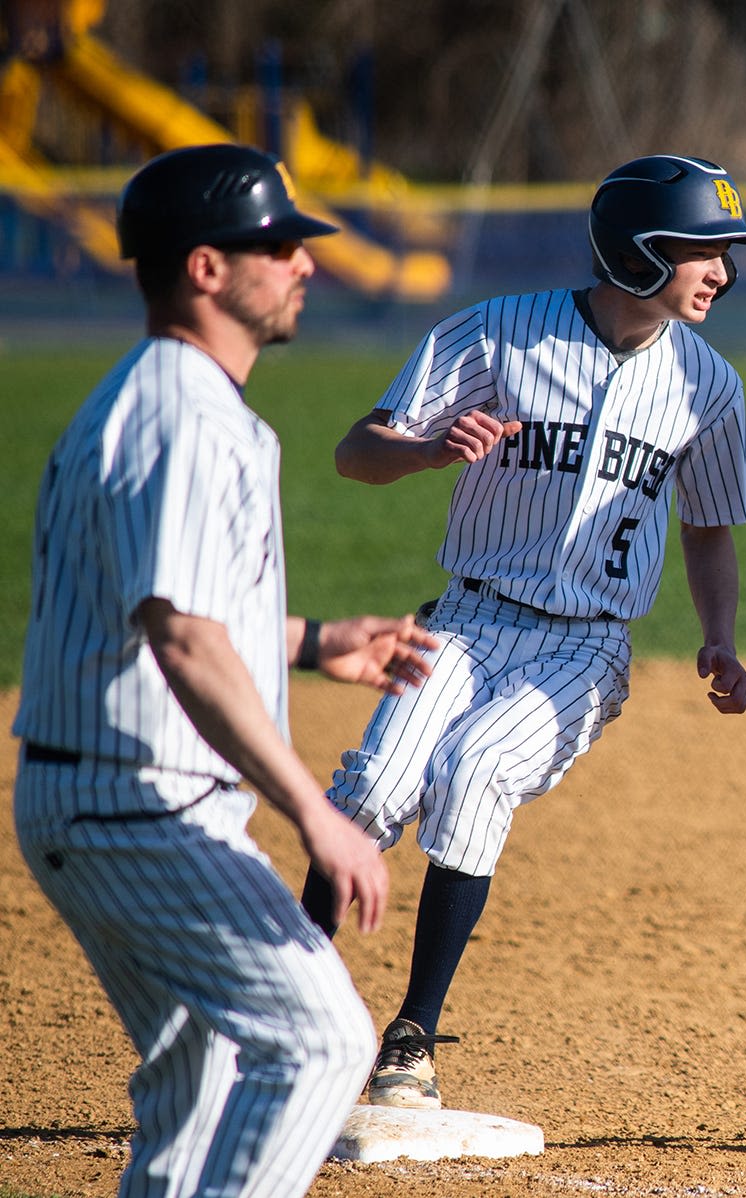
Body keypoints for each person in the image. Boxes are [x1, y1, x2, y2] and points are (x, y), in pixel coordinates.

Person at [11, 143, 439, 1198]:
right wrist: (315, 811)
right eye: (277, 243)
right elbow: (184, 638)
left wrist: (316, 638)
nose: (302, 261)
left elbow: (176, 605)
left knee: (197, 1093)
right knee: (325, 1038)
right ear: (205, 268)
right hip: (139, 808)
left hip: (100, 797)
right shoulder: (187, 419)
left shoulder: (157, 401)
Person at [300, 153, 746, 1110]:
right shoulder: (501, 333)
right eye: (702, 250)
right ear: (638, 249)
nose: (722, 271)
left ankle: (412, 1040)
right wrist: (428, 449)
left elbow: (710, 524)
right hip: (467, 617)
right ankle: (279, 1008)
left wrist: (719, 633)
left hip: (585, 647)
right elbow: (357, 452)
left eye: (728, 253)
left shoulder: (708, 385)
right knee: (375, 789)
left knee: (474, 774)